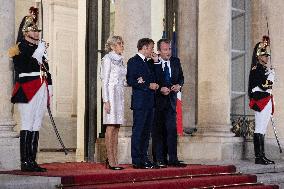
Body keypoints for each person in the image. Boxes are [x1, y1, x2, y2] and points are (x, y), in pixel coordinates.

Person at [8, 13, 52, 172]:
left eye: (37, 30)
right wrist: (40, 50)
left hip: (41, 88)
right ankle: (24, 162)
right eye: (33, 30)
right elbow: (26, 66)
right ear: (25, 32)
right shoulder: (18, 48)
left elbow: (46, 71)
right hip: (27, 88)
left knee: (36, 123)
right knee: (27, 123)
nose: (36, 32)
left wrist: (50, 89)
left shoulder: (38, 48)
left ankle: (32, 160)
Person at [151, 38, 186, 167]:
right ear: (159, 51)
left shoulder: (176, 61)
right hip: (158, 102)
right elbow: (153, 79)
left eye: (169, 49)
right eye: (165, 50)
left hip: (172, 100)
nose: (168, 52)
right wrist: (160, 89)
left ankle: (173, 159)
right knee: (158, 131)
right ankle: (159, 159)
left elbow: (181, 77)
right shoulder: (153, 63)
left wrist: (178, 85)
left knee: (171, 130)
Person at [126, 38, 159, 169]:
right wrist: (147, 85)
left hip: (150, 102)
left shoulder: (150, 63)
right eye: (151, 48)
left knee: (147, 132)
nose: (152, 51)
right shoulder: (133, 61)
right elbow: (131, 80)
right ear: (144, 48)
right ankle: (137, 160)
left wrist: (156, 62)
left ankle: (145, 158)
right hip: (140, 102)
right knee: (139, 130)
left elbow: (156, 78)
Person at [100, 36, 126, 170]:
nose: (122, 46)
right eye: (120, 44)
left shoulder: (121, 60)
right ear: (112, 46)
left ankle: (115, 159)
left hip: (119, 95)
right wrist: (106, 100)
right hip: (110, 95)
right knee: (110, 126)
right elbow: (104, 81)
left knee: (117, 127)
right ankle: (110, 160)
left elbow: (123, 79)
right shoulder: (107, 59)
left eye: (122, 43)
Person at [248, 36, 275, 165]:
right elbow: (263, 85)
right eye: (265, 55)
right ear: (259, 56)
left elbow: (268, 86)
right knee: (259, 128)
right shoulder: (256, 70)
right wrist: (270, 77)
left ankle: (262, 156)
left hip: (267, 100)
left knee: (263, 129)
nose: (267, 57)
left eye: (267, 55)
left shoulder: (264, 69)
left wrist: (269, 75)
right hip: (260, 101)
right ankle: (258, 157)